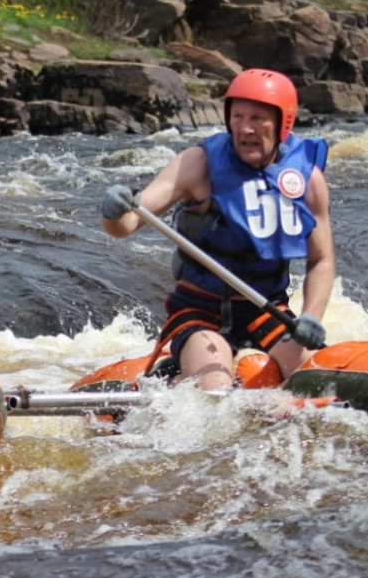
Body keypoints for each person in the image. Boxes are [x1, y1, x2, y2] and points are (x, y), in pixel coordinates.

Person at [100, 68, 334, 393]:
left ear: (284, 122)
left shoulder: (306, 178)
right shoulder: (198, 164)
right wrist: (113, 212)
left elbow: (321, 260)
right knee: (217, 387)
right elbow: (127, 225)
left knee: (318, 381)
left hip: (267, 310)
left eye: (257, 118)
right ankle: (175, 381)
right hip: (199, 311)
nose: (245, 128)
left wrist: (311, 316)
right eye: (237, 116)